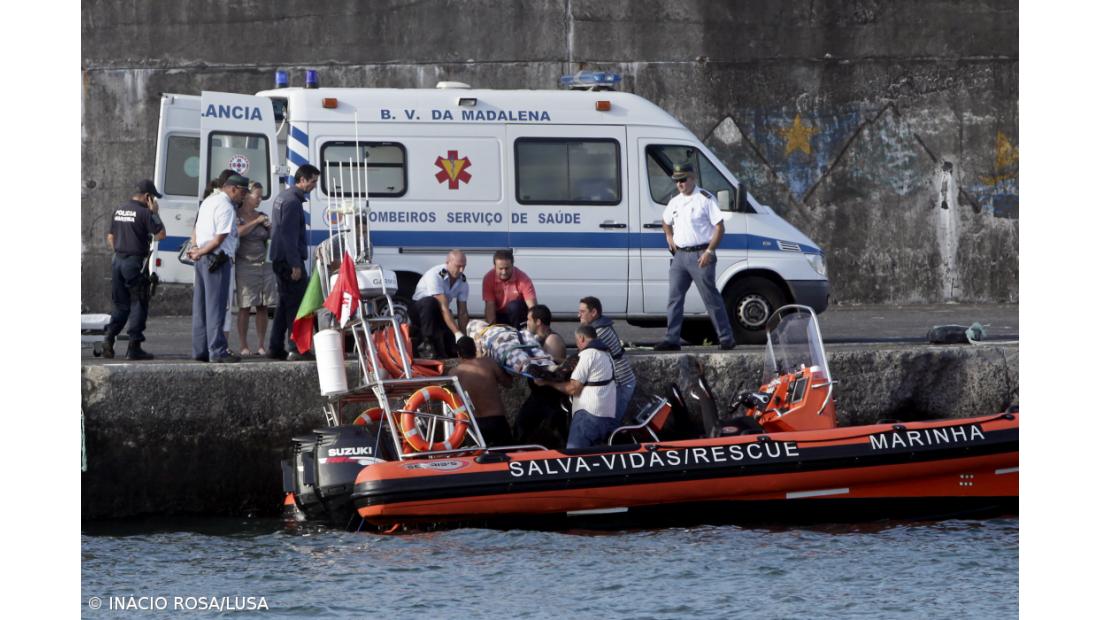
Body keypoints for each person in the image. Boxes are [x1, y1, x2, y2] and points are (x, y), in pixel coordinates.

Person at [655, 162, 736, 351]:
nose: (679, 184)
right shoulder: (675, 201)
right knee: (674, 298)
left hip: (701, 254)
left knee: (710, 298)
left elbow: (719, 227)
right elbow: (665, 221)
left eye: (683, 180)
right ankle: (672, 339)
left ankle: (726, 338)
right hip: (680, 255)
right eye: (676, 181)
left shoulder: (705, 199)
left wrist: (709, 251)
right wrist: (669, 236)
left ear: (693, 178)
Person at [102, 179, 167, 360]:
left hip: (117, 261)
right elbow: (161, 235)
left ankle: (109, 339)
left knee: (120, 304)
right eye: (153, 197)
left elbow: (110, 237)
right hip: (134, 262)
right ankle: (134, 347)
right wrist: (155, 213)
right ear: (147, 197)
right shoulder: (145, 213)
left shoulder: (119, 209)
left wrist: (121, 251)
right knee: (139, 301)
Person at [188, 174, 248, 362]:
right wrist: (201, 251)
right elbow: (219, 239)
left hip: (202, 259)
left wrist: (196, 250)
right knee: (216, 307)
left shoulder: (208, 201)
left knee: (201, 307)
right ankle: (217, 350)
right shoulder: (226, 207)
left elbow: (197, 229)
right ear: (233, 189)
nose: (244, 197)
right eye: (243, 192)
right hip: (217, 259)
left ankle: (200, 350)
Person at [268, 164, 321, 361]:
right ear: (302, 179)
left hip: (280, 259)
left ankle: (275, 346)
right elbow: (288, 236)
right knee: (297, 306)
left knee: (284, 305)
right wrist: (295, 265)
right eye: (313, 181)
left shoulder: (283, 197)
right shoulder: (292, 202)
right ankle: (297, 348)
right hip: (289, 261)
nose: (314, 186)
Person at [536, 325, 617, 449]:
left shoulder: (587, 355)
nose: (577, 345)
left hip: (588, 415)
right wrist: (552, 359)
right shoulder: (606, 354)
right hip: (605, 416)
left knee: (575, 454)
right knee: (593, 455)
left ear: (581, 338)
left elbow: (573, 388)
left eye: (576, 341)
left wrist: (547, 383)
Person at [513, 304, 569, 445]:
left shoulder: (552, 340)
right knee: (520, 428)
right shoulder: (535, 339)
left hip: (549, 398)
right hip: (538, 395)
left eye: (529, 320)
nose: (527, 323)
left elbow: (552, 371)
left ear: (538, 322)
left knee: (553, 435)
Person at [578, 296, 636, 424]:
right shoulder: (599, 328)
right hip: (617, 383)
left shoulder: (600, 332)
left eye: (582, 312)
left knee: (609, 424)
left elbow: (583, 357)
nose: (579, 315)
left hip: (621, 383)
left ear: (593, 312)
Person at [234, 182, 276, 356]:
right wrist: (256, 222)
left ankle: (260, 344)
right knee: (245, 305)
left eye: (261, 196)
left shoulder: (262, 216)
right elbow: (238, 232)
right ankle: (243, 345)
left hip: (264, 265)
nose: (260, 199)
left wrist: (270, 228)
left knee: (263, 305)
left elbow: (272, 237)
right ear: (246, 196)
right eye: (257, 196)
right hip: (245, 264)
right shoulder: (237, 215)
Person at [451, 336, 514, 447]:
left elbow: (452, 402)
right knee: (507, 454)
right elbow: (508, 384)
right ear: (475, 349)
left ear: (458, 353)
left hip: (474, 423)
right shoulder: (489, 363)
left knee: (478, 456)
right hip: (496, 419)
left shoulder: (454, 373)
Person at [411, 249, 469, 359]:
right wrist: (457, 332)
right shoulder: (435, 275)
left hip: (440, 311)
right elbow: (443, 307)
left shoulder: (463, 282)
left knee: (452, 350)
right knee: (431, 302)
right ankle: (426, 343)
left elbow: (463, 313)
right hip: (420, 310)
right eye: (458, 266)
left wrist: (463, 337)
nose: (461, 270)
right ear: (448, 263)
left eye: (464, 266)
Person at [481, 250, 537, 328]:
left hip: (518, 315)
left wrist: (535, 327)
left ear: (512, 265)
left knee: (514, 307)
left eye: (507, 268)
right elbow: (490, 306)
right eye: (500, 268)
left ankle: (518, 332)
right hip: (499, 315)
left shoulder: (523, 279)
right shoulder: (488, 278)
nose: (504, 272)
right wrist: (491, 329)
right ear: (495, 266)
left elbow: (532, 307)